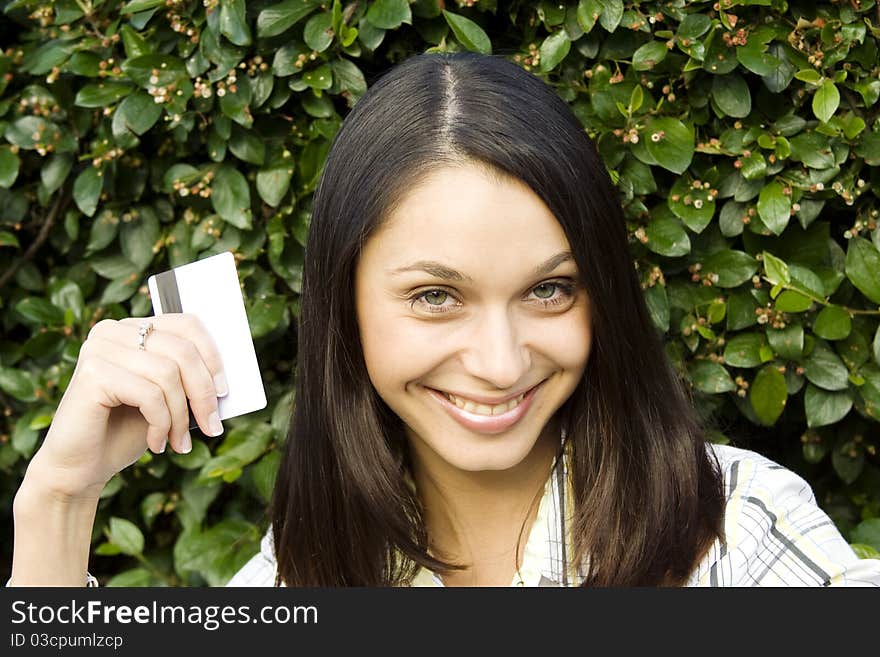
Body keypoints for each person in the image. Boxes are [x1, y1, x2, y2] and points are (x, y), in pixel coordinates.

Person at [8, 52, 880, 588]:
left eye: (550, 289)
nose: (500, 363)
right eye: (436, 296)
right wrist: (58, 500)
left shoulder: (734, 531)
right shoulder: (299, 573)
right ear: (345, 306)